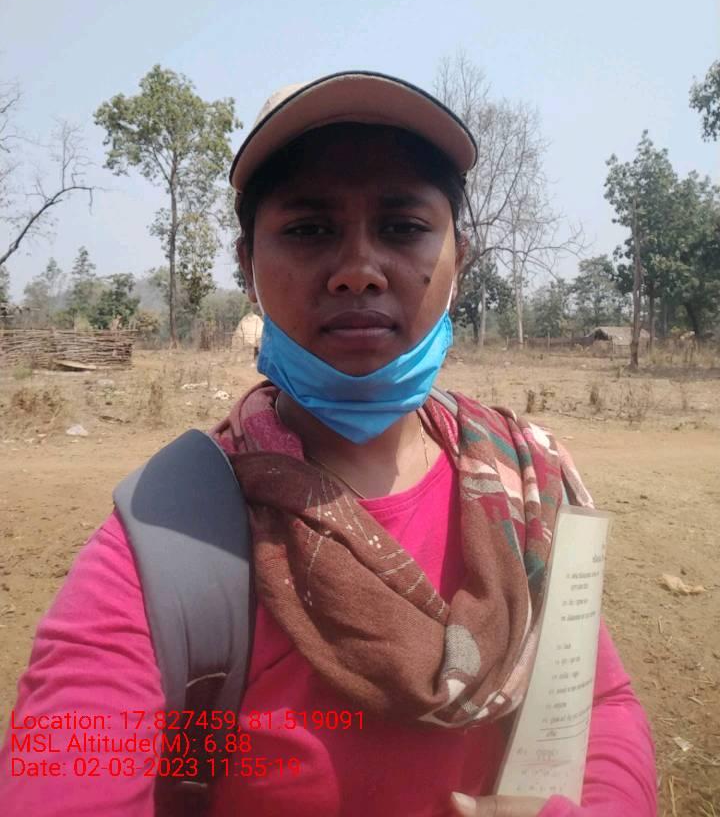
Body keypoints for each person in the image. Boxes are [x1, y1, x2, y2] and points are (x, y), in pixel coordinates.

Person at [0, 71, 656, 816]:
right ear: (248, 267)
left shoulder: (523, 486)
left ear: (460, 258)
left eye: (403, 227)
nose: (358, 272)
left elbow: (595, 702)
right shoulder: (171, 543)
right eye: (310, 229)